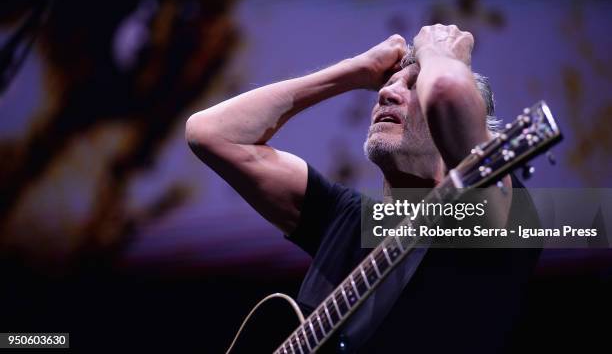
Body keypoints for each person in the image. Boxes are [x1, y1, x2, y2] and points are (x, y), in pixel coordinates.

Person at [185, 24, 541, 353]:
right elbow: (211, 134)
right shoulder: (346, 219)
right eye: (388, 84)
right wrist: (356, 70)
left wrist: (441, 54)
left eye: (415, 86)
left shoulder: (498, 215)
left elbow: (448, 93)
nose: (386, 91)